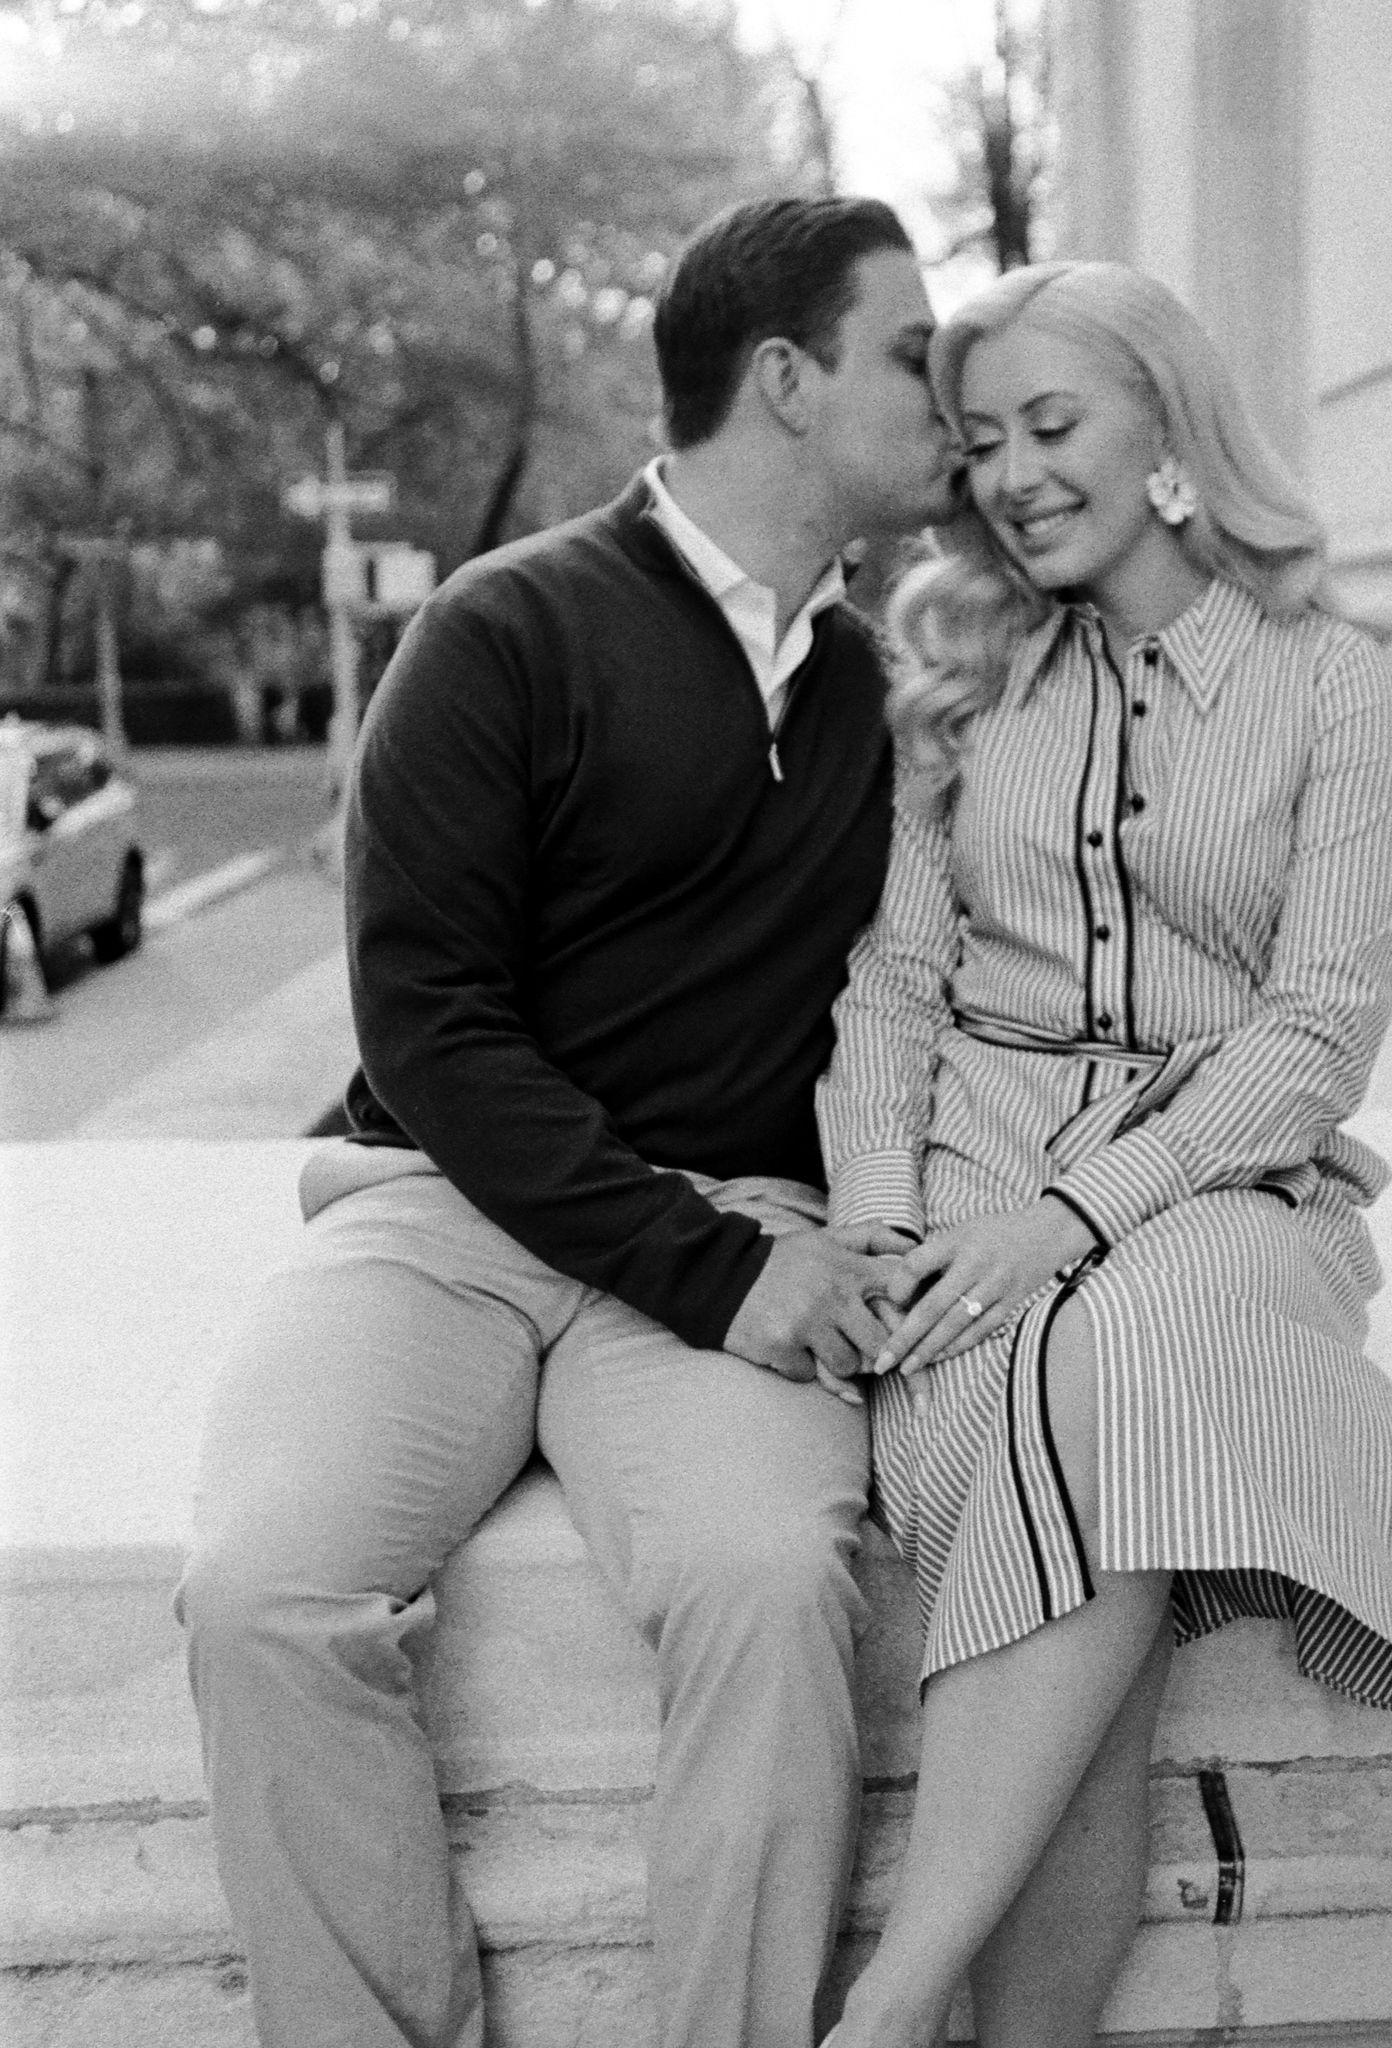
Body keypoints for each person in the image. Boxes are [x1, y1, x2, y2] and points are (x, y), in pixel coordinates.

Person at [174, 195, 963, 2048]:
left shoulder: (887, 695)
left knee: (773, 1588)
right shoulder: (503, 626)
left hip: (741, 1216)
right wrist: (714, 1271)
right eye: (914, 357)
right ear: (787, 379)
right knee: (264, 1597)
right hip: (448, 1211)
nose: (954, 397)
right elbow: (428, 1024)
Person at [815, 260, 1392, 2048]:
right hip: (969, 1167)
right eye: (983, 441)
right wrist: (880, 1224)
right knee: (1056, 1511)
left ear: (1170, 431)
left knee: (1132, 1351)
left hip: (1228, 1181)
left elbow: (1315, 1037)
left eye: (1053, 424)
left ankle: (892, 2004)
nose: (1013, 475)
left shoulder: (1335, 685)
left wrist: (1073, 1214)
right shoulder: (961, 683)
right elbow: (894, 987)